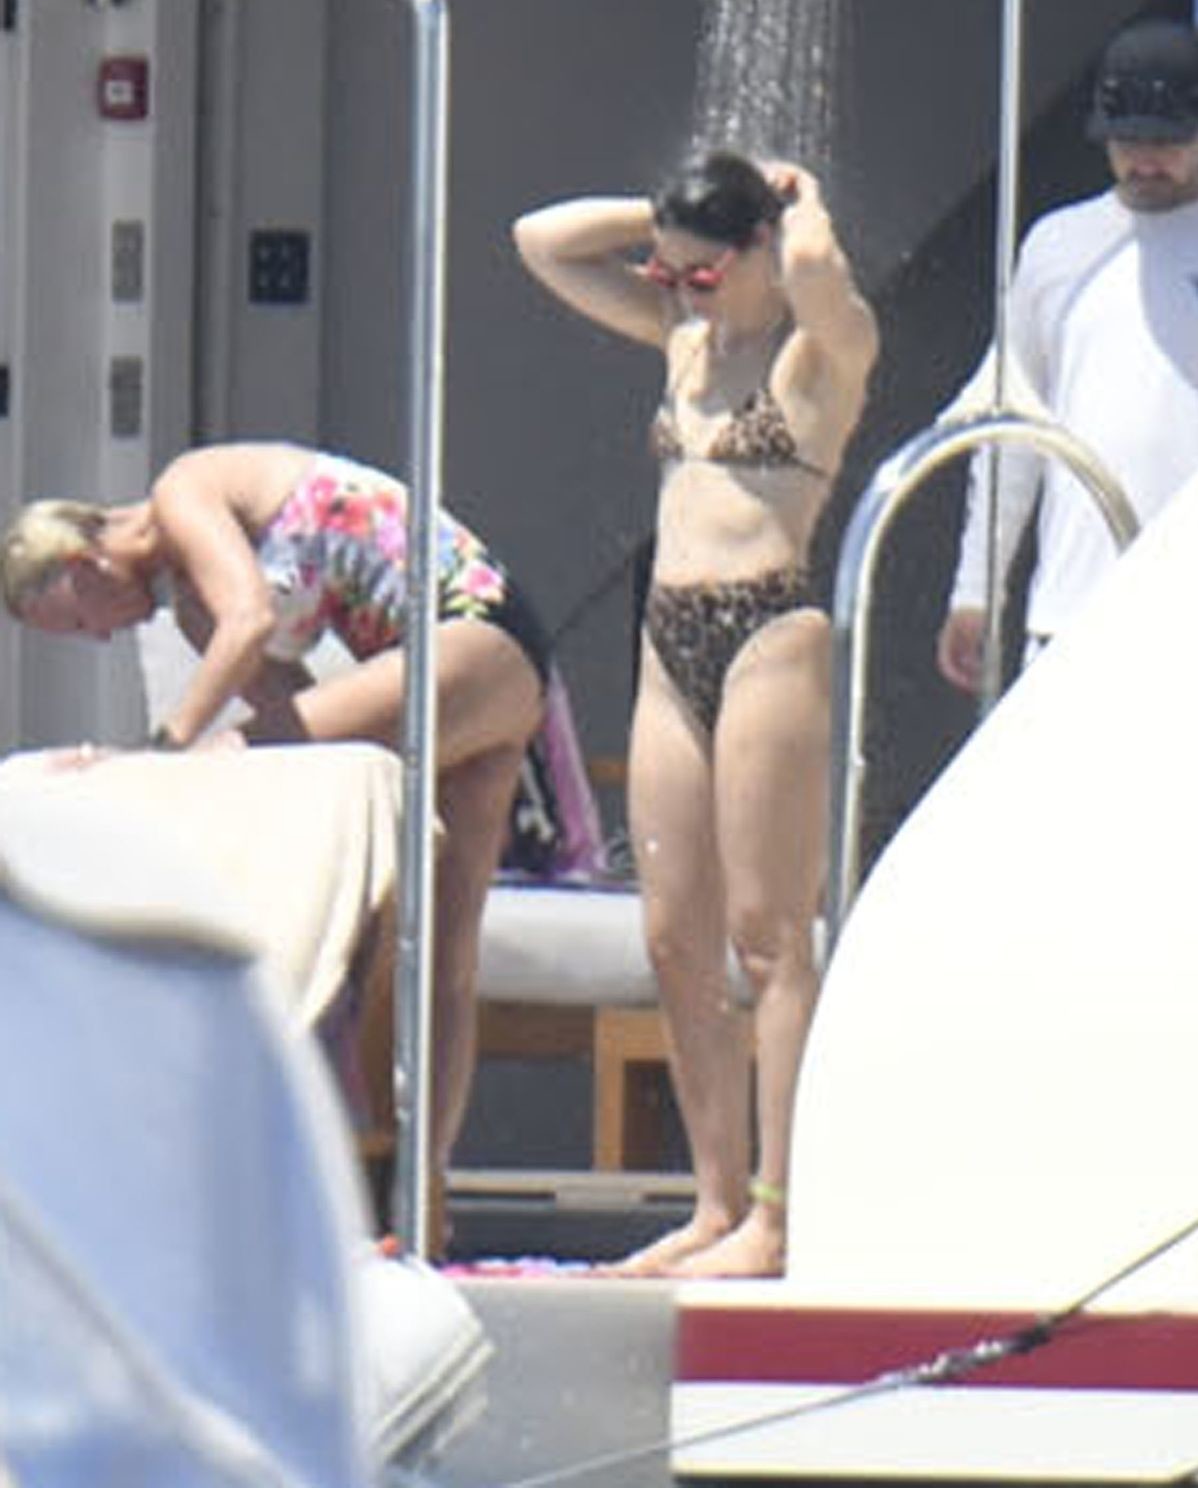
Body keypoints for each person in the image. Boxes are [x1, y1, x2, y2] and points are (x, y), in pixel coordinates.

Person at [0, 442, 551, 1186]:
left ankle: (258, 1073)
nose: (100, 637)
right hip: (496, 661)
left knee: (225, 753)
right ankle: (425, 1191)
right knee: (444, 955)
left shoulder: (182, 491)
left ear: (86, 563)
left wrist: (159, 752)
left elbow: (251, 620)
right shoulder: (194, 610)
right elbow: (292, 720)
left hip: (467, 631)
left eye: (77, 620)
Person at [514, 152, 878, 1277]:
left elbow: (814, 269)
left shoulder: (825, 350)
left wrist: (797, 200)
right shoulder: (681, 336)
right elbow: (539, 239)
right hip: (667, 641)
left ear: (760, 249)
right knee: (673, 940)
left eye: (702, 275)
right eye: (665, 275)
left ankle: (777, 1213)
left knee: (769, 938)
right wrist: (666, 220)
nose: (678, 291)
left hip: (769, 631)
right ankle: (714, 1203)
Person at [938, 17, 1198, 694]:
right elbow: (1012, 433)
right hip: (1070, 621)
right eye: (1127, 141)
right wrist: (975, 590)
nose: (1146, 162)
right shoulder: (1054, 247)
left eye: (1167, 141)